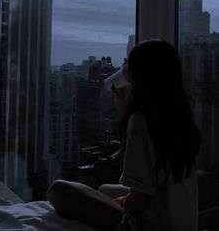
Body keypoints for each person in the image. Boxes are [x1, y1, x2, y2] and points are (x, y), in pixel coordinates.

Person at [47, 39, 201, 231]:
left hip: (151, 226)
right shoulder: (180, 114)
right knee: (103, 190)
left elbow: (138, 202)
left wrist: (120, 203)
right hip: (180, 220)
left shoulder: (142, 119)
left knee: (58, 190)